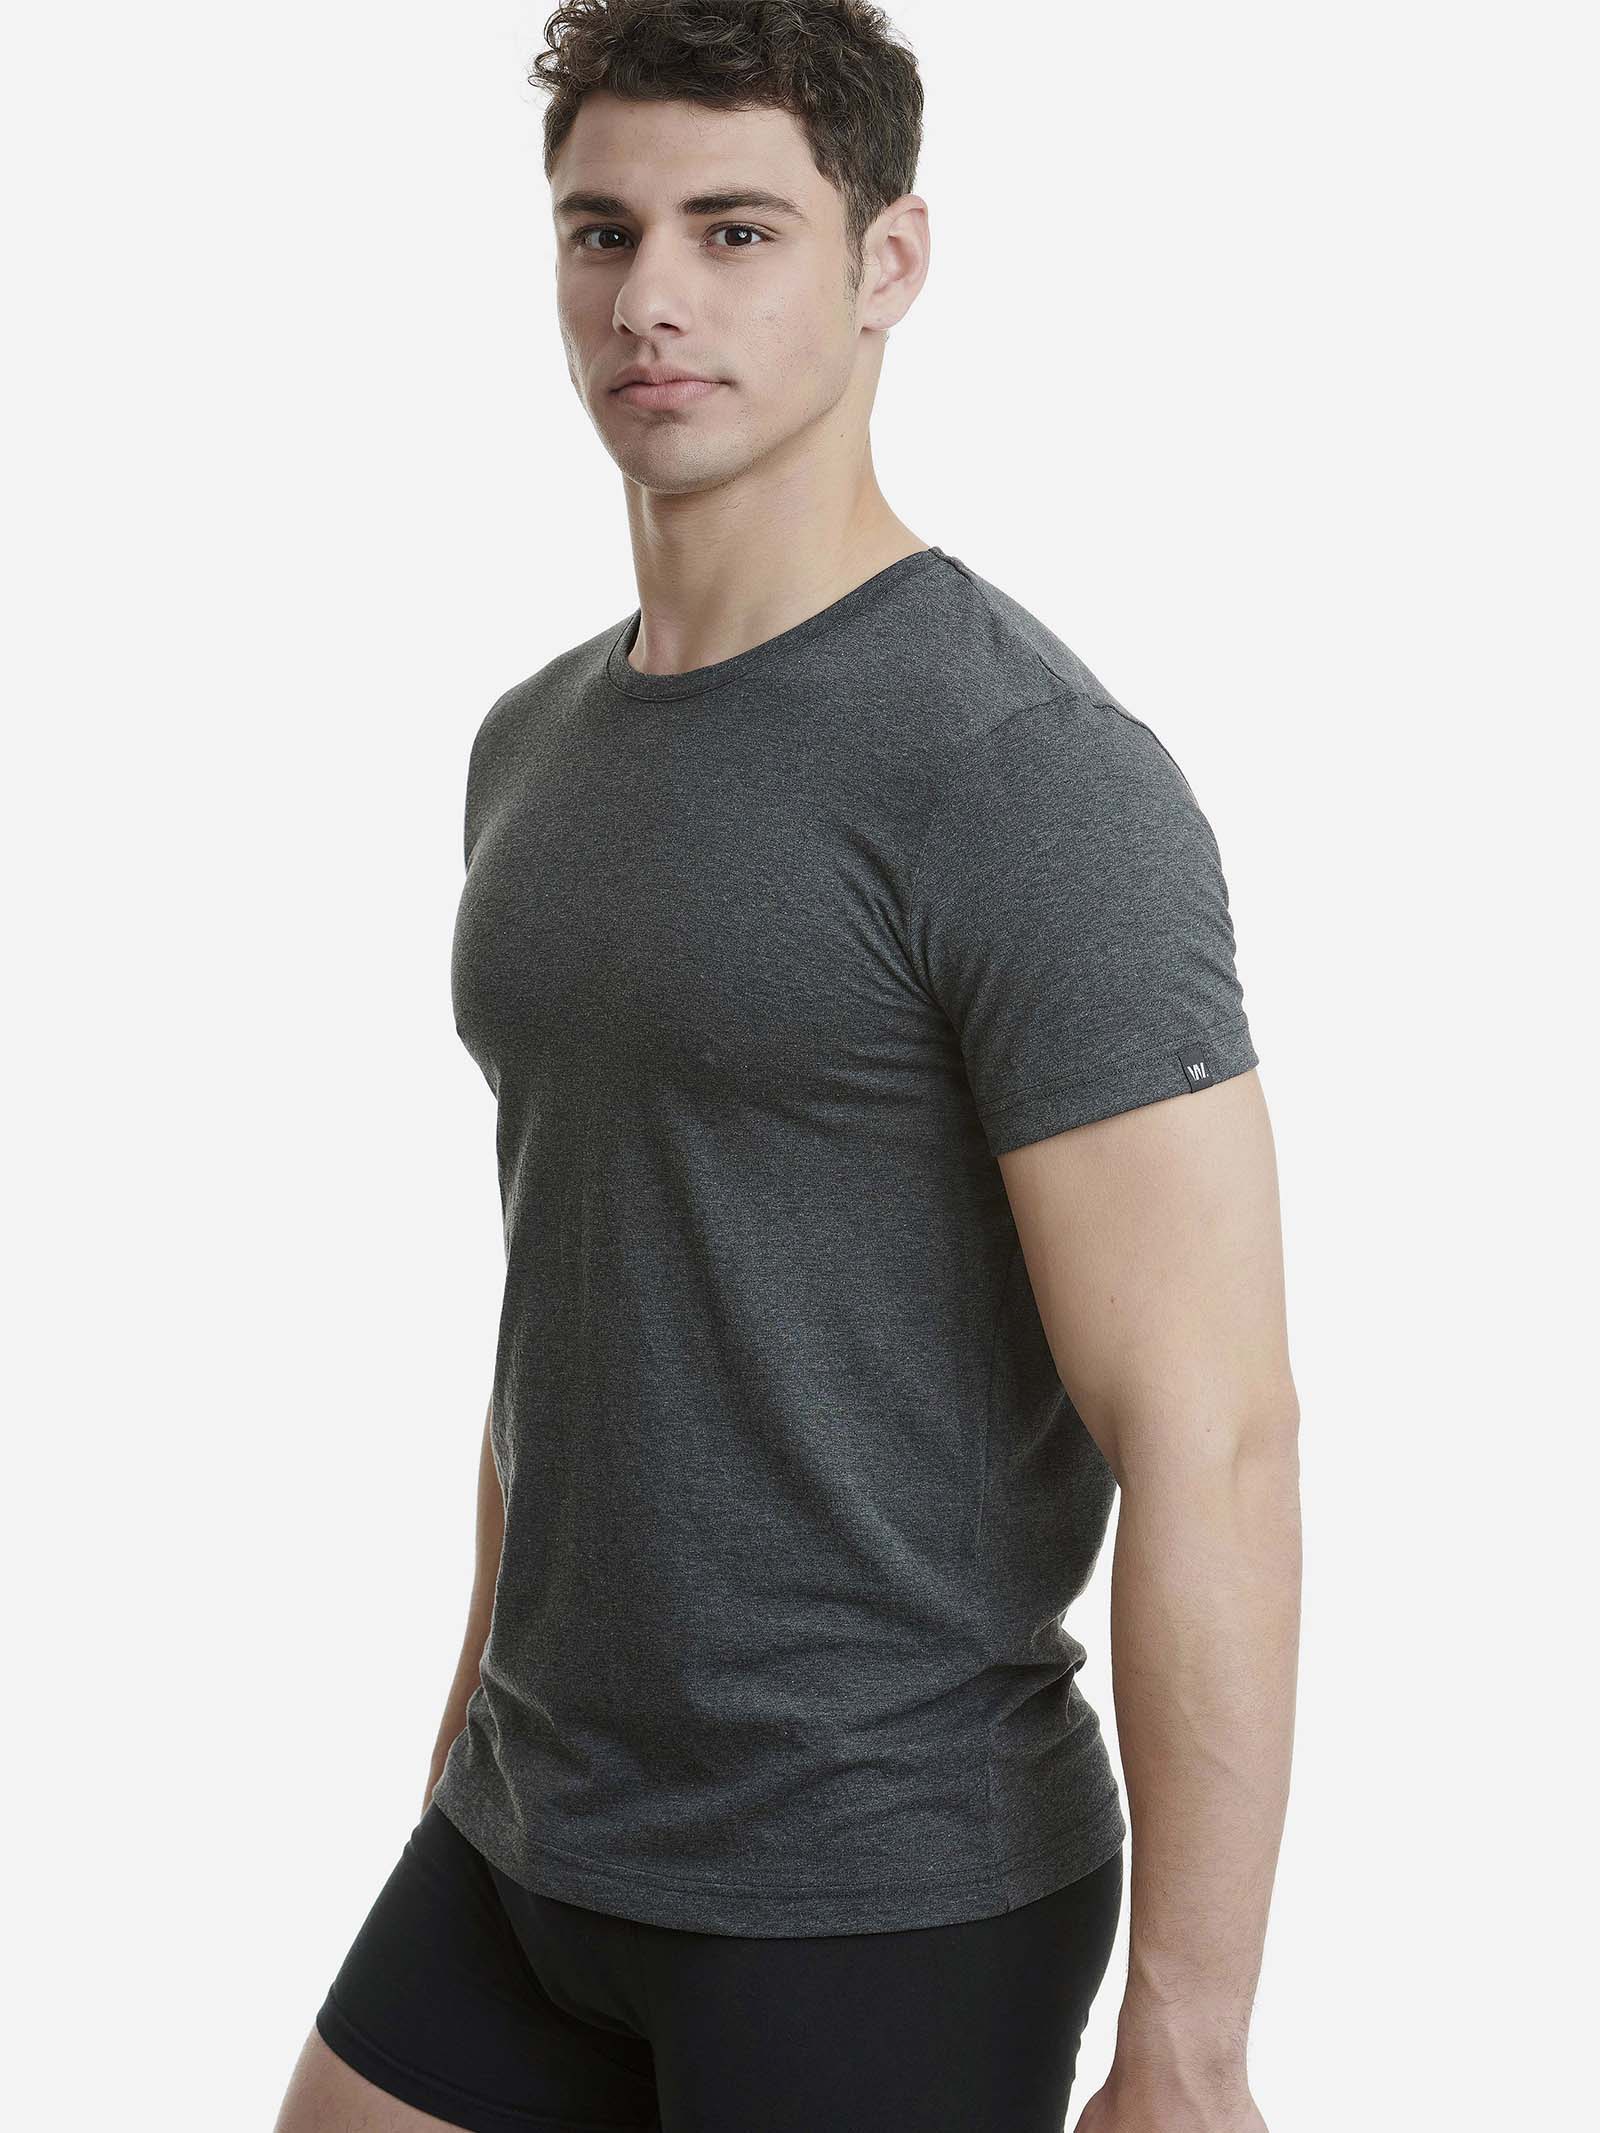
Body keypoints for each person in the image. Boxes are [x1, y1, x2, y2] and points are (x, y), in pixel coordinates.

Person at [274, 3, 1299, 2128]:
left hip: (878, 1887)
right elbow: (579, 1286)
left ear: (887, 260)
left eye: (734, 230)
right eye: (602, 230)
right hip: (530, 1829)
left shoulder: (1023, 773)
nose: (649, 297)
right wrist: (465, 1732)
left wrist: (1190, 2042)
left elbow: (1210, 1432)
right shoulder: (530, 744)